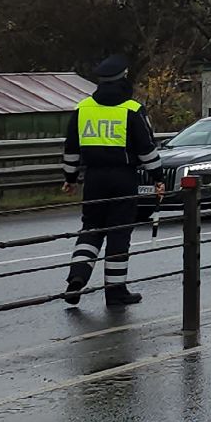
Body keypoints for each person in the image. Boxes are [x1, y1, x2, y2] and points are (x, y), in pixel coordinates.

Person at [61, 55, 161, 307]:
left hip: (93, 178)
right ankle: (115, 292)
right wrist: (158, 177)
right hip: (122, 178)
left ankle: (77, 278)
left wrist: (70, 178)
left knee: (91, 228)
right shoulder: (132, 109)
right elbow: (146, 150)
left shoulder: (83, 108)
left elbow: (71, 148)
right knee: (118, 233)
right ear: (123, 80)